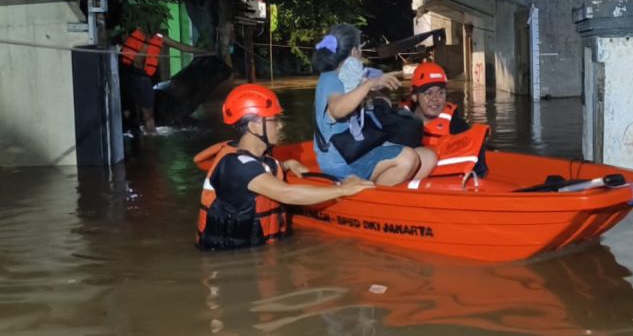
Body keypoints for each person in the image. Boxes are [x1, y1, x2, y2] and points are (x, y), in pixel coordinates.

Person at [197, 84, 374, 251]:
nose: (280, 125)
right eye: (274, 120)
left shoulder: (258, 158)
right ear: (254, 126)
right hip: (232, 260)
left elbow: (260, 170)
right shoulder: (235, 165)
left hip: (259, 250)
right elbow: (287, 194)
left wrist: (286, 164)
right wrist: (343, 190)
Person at [312, 24, 437, 186]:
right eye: (359, 48)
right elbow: (336, 109)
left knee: (428, 158)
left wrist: (374, 92)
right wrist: (368, 85)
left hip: (362, 149)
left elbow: (379, 106)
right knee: (408, 158)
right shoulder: (330, 79)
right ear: (353, 51)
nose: (361, 53)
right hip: (341, 160)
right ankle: (368, 196)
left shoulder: (353, 78)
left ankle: (392, 193)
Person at [402, 62, 489, 177]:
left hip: (443, 183)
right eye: (428, 93)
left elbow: (475, 159)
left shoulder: (457, 125)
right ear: (414, 96)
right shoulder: (399, 120)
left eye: (440, 92)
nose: (435, 99)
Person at [119, 26, 208, 133]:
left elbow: (181, 47)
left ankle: (151, 139)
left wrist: (205, 51)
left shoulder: (160, 37)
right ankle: (132, 136)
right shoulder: (133, 33)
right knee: (129, 111)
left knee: (148, 113)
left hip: (144, 77)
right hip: (128, 75)